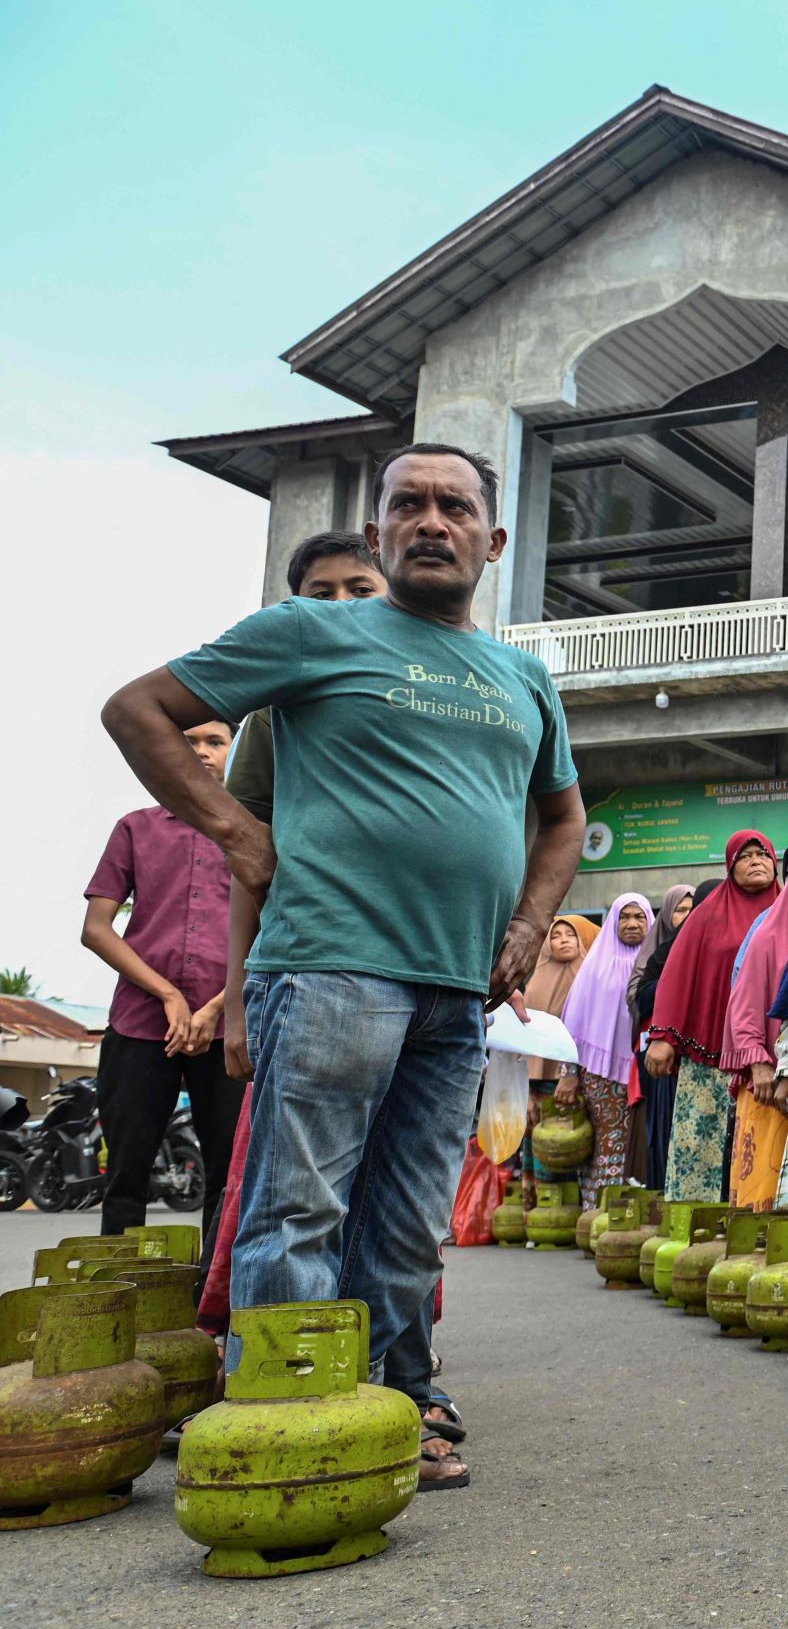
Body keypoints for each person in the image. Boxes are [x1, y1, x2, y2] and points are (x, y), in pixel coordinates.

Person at [100, 443, 584, 1462]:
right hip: (329, 967)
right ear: (378, 532)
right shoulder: (311, 631)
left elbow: (564, 818)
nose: (432, 521)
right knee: (298, 1208)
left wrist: (529, 924)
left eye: (455, 506)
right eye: (409, 504)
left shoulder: (525, 676)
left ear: (494, 540)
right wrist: (237, 832)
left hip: (458, 989)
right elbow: (137, 710)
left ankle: (388, 1409)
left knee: (408, 1218)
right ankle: (289, 1422)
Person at [80, 716, 240, 1244]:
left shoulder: (258, 835)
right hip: (139, 1023)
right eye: (189, 741)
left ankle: (214, 1291)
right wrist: (169, 993)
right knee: (126, 1175)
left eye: (215, 741)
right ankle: (118, 1288)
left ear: (237, 750)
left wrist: (215, 1007)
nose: (202, 751)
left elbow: (274, 934)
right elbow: (96, 929)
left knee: (228, 1180)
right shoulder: (136, 828)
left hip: (229, 1030)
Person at [643, 832, 779, 1201]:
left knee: (758, 1150)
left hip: (769, 1057)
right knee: (700, 1145)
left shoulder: (787, 908)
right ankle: (692, 1221)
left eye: (763, 854)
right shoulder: (708, 914)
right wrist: (662, 1037)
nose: (755, 862)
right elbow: (677, 975)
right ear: (730, 867)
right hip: (710, 1053)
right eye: (745, 856)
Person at [725, 847, 788, 1210]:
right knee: (765, 1180)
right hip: (769, 1079)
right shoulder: (769, 935)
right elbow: (743, 1006)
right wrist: (759, 1064)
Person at [556, 893, 653, 1207]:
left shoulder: (657, 963)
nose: (632, 924)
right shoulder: (594, 968)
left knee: (645, 1143)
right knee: (604, 1143)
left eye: (639, 917)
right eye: (624, 917)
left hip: (648, 1069)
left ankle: (638, 1216)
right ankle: (597, 1215)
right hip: (600, 1074)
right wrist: (568, 1074)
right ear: (612, 923)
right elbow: (573, 1024)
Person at [627, 881, 704, 1187]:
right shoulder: (660, 952)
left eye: (693, 909)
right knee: (662, 1126)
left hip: (697, 1052)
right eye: (680, 910)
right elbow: (640, 998)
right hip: (658, 1052)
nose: (687, 916)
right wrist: (676, 980)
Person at [516, 914, 596, 1189]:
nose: (564, 941)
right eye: (556, 936)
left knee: (580, 1144)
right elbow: (524, 1037)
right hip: (540, 1082)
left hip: (584, 1078)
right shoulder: (536, 983)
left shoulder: (592, 975)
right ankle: (544, 1208)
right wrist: (526, 1090)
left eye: (571, 935)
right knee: (545, 1146)